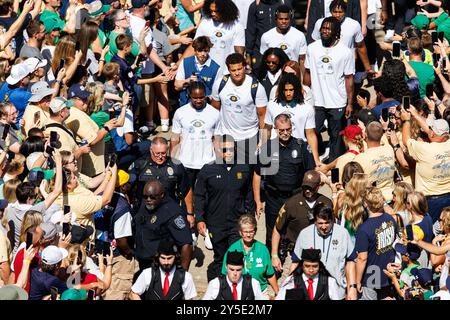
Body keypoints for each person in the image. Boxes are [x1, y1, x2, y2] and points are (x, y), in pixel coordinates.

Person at [194, 134, 253, 282]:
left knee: (236, 256)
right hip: (216, 223)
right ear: (217, 149)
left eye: (231, 149)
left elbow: (249, 195)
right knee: (220, 257)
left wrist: (250, 218)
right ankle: (218, 289)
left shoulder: (244, 169)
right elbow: (199, 196)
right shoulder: (207, 170)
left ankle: (237, 290)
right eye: (225, 149)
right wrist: (200, 219)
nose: (228, 153)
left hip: (236, 223)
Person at [254, 114, 309, 252]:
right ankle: (273, 260)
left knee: (298, 228)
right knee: (272, 230)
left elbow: (310, 172)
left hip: (296, 196)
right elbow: (257, 174)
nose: (285, 133)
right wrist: (258, 201)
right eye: (281, 130)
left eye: (288, 129)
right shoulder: (267, 148)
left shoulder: (301, 146)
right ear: (275, 129)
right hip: (274, 197)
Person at [303, 17, 355, 162]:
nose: (325, 31)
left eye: (328, 29)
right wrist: (304, 93)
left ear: (336, 32)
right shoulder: (312, 48)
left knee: (336, 136)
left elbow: (349, 79)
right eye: (323, 28)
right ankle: (315, 155)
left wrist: (349, 103)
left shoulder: (345, 52)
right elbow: (307, 72)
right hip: (316, 100)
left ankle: (334, 165)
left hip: (337, 101)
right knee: (312, 130)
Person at [170, 82, 220, 220]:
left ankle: (204, 222)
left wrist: (220, 160)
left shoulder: (215, 114)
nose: (198, 100)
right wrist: (172, 161)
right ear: (189, 96)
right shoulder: (180, 112)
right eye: (195, 97)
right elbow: (174, 138)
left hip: (207, 162)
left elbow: (217, 139)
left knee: (206, 195)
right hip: (186, 161)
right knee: (186, 193)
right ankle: (189, 221)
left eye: (201, 97)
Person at [210, 53, 267, 163]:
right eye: (233, 70)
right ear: (228, 70)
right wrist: (214, 136)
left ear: (245, 67)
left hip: (248, 137)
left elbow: (262, 115)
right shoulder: (220, 84)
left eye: (239, 69)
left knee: (247, 173)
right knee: (224, 172)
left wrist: (262, 141)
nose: (237, 73)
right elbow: (214, 111)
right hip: (225, 136)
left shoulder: (256, 87)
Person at [272, 170, 333, 274]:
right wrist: (274, 255)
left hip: (319, 255)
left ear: (319, 186)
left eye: (311, 187)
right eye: (305, 187)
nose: (307, 190)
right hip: (294, 253)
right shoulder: (291, 203)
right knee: (289, 286)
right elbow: (277, 229)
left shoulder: (326, 202)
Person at [293, 203, 357, 300]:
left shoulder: (343, 233)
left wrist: (352, 288)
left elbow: (350, 261)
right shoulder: (304, 234)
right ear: (314, 221)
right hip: (311, 292)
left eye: (327, 223)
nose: (324, 227)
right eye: (320, 223)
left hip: (337, 291)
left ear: (333, 220)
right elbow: (296, 262)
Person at [401, 106, 450, 223]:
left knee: (430, 232)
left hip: (430, 201)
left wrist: (407, 120)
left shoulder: (424, 149)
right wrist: (416, 115)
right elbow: (431, 132)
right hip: (448, 195)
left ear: (432, 133)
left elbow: (406, 140)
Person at [94, 170, 138, 300]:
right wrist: (129, 252)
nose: (131, 185)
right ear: (123, 187)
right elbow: (121, 239)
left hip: (98, 254)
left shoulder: (99, 197)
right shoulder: (122, 207)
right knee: (116, 294)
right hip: (117, 258)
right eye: (128, 183)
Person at [134, 180, 192, 272]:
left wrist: (182, 274)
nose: (148, 200)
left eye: (152, 197)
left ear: (161, 195)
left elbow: (186, 244)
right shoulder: (145, 204)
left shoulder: (172, 212)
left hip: (161, 266)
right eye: (145, 197)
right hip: (143, 262)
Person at [264, 73, 321, 166]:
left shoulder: (307, 108)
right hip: (276, 151)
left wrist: (316, 159)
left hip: (298, 151)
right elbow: (266, 129)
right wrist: (261, 147)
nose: (288, 93)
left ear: (297, 89)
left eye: (291, 90)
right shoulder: (271, 105)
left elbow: (310, 134)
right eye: (285, 90)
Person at [354, 186, 398, 300]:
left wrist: (357, 281)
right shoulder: (390, 219)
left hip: (372, 274)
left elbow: (362, 258)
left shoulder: (364, 229)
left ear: (365, 204)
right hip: (387, 271)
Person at [221, 214, 278, 298]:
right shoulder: (232, 249)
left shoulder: (262, 249)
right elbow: (224, 274)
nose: (248, 235)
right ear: (240, 232)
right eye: (245, 232)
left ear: (255, 231)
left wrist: (277, 291)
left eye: (251, 231)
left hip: (260, 292)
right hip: (239, 292)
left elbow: (270, 274)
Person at [311, 0, 372, 75]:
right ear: (330, 11)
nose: (337, 15)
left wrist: (368, 69)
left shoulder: (354, 25)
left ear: (345, 12)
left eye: (340, 12)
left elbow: (361, 47)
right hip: (326, 66)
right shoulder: (320, 23)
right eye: (335, 12)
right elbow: (314, 45)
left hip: (347, 67)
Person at [129, 238, 197, 300]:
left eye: (170, 258)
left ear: (176, 257)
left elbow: (189, 299)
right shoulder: (147, 274)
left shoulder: (186, 277)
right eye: (163, 258)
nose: (166, 262)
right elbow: (133, 294)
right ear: (157, 257)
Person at [191, 0, 245, 71]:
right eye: (211, 11)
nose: (213, 14)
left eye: (216, 11)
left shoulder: (237, 26)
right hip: (207, 71)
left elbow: (239, 54)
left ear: (225, 10)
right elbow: (194, 47)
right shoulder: (205, 23)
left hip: (226, 72)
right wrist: (178, 64)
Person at [134, 136, 189, 203]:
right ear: (151, 150)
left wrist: (190, 213)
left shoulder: (176, 165)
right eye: (157, 153)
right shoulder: (140, 164)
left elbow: (187, 189)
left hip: (169, 207)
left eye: (163, 153)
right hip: (145, 208)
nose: (160, 157)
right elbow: (128, 187)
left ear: (167, 150)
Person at [354, 121, 397, 203]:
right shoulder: (389, 149)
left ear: (365, 135)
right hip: (392, 196)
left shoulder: (360, 158)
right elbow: (381, 136)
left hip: (373, 201)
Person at [245, 0, 294, 73]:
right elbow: (250, 31)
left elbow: (292, 28)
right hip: (260, 50)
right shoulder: (255, 6)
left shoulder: (284, 3)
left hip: (281, 50)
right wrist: (248, 53)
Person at [43, 97, 91, 165]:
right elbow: (66, 160)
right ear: (62, 112)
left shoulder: (53, 121)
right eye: (68, 108)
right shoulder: (58, 133)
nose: (70, 109)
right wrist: (81, 150)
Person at [174, 36, 221, 106]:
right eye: (200, 50)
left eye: (205, 51)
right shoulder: (185, 62)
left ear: (209, 50)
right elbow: (176, 86)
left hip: (206, 107)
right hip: (186, 105)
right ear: (195, 50)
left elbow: (216, 94)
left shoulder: (216, 68)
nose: (202, 54)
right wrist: (188, 81)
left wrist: (208, 98)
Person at [259, 5, 307, 71]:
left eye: (286, 19)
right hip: (273, 76)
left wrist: (302, 80)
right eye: (280, 19)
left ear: (290, 19)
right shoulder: (266, 36)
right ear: (276, 19)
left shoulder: (299, 35)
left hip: (293, 75)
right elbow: (263, 60)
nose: (284, 21)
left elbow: (302, 60)